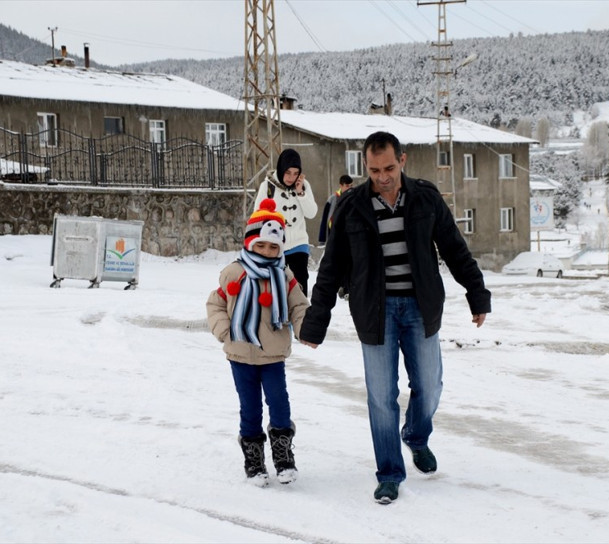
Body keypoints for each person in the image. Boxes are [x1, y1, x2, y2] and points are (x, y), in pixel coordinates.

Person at [299, 131, 491, 505]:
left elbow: (455, 248)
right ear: (365, 167)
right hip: (375, 312)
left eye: (388, 167)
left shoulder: (425, 197)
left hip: (420, 307)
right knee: (381, 397)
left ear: (402, 160)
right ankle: (389, 472)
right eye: (374, 170)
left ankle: (416, 437)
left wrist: (477, 294)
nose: (382, 176)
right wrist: (315, 321)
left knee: (430, 386)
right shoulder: (351, 206)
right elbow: (331, 268)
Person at [206, 198, 310, 486]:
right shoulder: (233, 273)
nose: (267, 251)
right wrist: (225, 330)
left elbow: (298, 306)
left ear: (280, 248)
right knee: (249, 408)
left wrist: (303, 330)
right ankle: (253, 461)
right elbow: (215, 304)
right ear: (250, 243)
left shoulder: (284, 275)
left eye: (273, 247)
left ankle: (283, 457)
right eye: (261, 245)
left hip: (273, 354)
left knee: (279, 404)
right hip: (239, 353)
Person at [254, 148, 318, 296]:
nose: (291, 177)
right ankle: (279, 317)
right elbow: (257, 214)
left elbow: (312, 213)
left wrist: (300, 192)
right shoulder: (268, 187)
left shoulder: (304, 185)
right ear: (281, 168)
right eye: (288, 172)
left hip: (298, 244)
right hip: (275, 246)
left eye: (295, 173)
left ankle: (299, 319)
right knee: (277, 289)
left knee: (299, 288)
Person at [318, 174, 354, 246]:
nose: (350, 188)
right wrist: (322, 239)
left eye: (351, 186)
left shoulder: (355, 199)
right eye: (347, 186)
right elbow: (325, 219)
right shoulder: (332, 199)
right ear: (341, 186)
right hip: (334, 234)